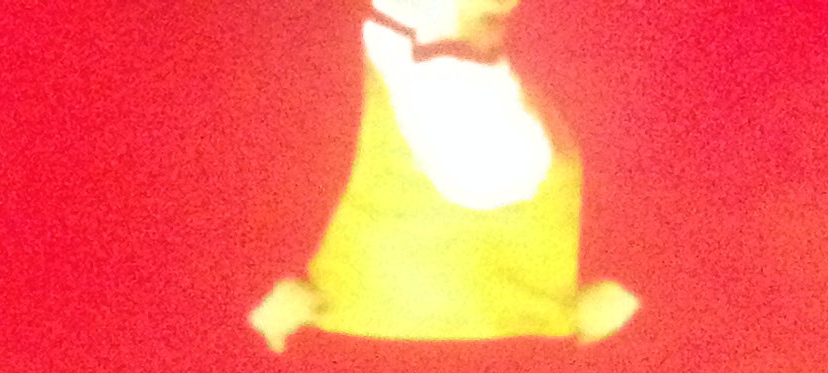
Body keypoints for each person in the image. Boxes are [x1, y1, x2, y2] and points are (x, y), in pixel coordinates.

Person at [249, 0, 639, 351]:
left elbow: (641, 167)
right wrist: (261, 285)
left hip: (532, 357)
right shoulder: (316, 57)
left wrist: (626, 282)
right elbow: (246, 184)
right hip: (344, 352)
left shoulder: (565, 52)